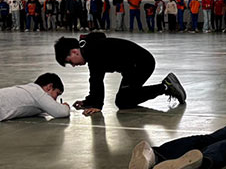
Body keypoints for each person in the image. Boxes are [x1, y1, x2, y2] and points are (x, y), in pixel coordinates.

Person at [54, 33, 186, 114]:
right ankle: (165, 86)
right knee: (124, 100)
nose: (74, 65)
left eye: (70, 61)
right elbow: (95, 79)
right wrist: (89, 101)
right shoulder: (90, 47)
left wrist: (96, 105)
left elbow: (96, 79)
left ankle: (166, 87)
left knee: (124, 100)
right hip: (133, 66)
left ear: (74, 52)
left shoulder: (92, 51)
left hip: (141, 64)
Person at [0, 73, 71, 122]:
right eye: (57, 93)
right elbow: (61, 112)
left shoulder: (30, 89)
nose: (55, 99)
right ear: (49, 87)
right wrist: (65, 106)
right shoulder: (39, 93)